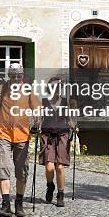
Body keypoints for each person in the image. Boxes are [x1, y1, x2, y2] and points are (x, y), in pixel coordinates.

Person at [0, 63, 40, 217]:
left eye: (18, 76)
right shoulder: (1, 89)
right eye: (12, 76)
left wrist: (38, 122)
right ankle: (5, 205)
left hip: (23, 137)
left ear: (22, 76)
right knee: (3, 167)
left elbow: (37, 109)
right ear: (8, 76)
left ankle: (18, 202)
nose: (15, 79)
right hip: (4, 136)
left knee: (21, 171)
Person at [39, 76, 75, 207]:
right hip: (47, 136)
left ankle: (60, 194)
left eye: (59, 87)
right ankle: (50, 186)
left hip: (62, 135)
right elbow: (39, 118)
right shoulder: (43, 102)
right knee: (49, 166)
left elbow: (69, 118)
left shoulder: (65, 102)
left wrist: (74, 127)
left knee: (59, 166)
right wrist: (36, 125)